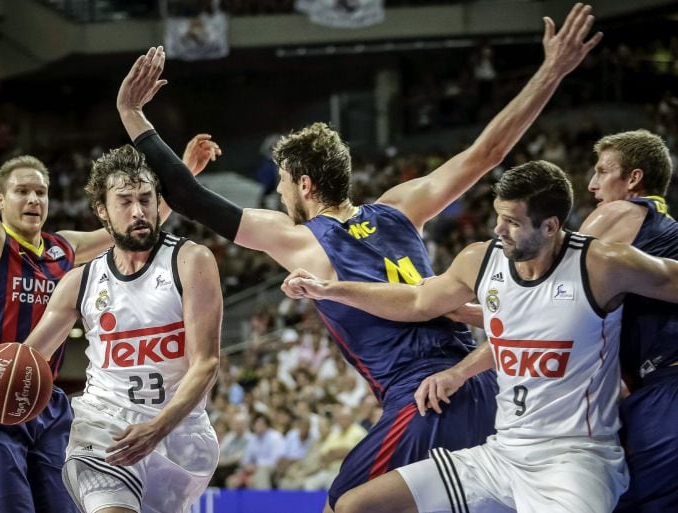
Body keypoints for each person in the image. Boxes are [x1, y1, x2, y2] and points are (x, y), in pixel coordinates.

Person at [115, 4, 601, 509]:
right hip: (486, 384)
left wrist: (133, 114)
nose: (280, 197)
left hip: (425, 397)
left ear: (304, 184)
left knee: (342, 506)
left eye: (282, 186)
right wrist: (551, 72)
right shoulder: (401, 206)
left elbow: (192, 201)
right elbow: (487, 153)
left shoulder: (299, 238)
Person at [280, 160, 678, 513]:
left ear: (551, 226)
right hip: (500, 455)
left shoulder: (603, 265)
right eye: (498, 217)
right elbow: (419, 300)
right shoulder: (482, 259)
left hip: (575, 459)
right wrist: (329, 289)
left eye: (513, 222)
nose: (498, 230)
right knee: (357, 506)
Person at [0, 67, 220, 513]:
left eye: (41, 192)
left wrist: (183, 176)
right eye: (22, 192)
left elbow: (130, 226)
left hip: (45, 400)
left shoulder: (63, 249)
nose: (34, 200)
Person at [579, 129, 678, 512]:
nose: (592, 185)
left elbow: (548, 286)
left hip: (668, 389)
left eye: (603, 171)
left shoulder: (620, 211)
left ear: (633, 179)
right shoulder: (660, 231)